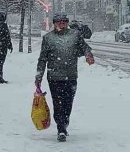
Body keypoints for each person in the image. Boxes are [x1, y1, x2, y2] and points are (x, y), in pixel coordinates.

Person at [35, 14, 95, 142]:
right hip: (54, 77)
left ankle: (65, 121)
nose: (62, 24)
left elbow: (85, 47)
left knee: (68, 103)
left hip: (71, 76)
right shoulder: (48, 38)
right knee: (57, 103)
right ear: (54, 23)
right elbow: (42, 59)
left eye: (64, 22)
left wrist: (88, 55)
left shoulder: (75, 35)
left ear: (67, 23)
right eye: (59, 22)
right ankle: (61, 128)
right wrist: (38, 76)